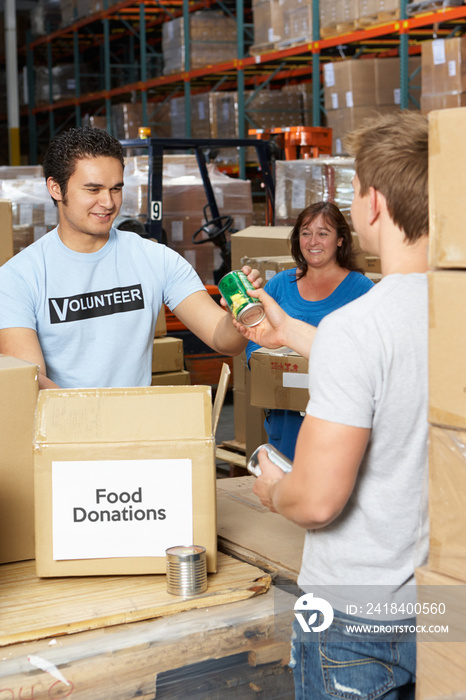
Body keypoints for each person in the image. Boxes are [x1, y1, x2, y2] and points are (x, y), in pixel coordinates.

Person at [233, 111, 429, 699]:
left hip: (355, 616)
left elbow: (317, 502)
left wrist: (272, 488)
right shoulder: (449, 310)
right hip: (444, 605)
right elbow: (400, 369)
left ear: (371, 205)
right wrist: (291, 330)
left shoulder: (358, 324)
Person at [0, 126, 261, 389]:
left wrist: (237, 319)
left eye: (116, 188)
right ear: (56, 188)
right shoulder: (19, 277)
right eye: (93, 190)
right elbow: (31, 381)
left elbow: (222, 339)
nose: (108, 202)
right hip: (65, 425)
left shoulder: (155, 259)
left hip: (137, 426)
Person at [245, 201, 373, 460]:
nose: (313, 241)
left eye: (323, 233)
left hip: (339, 423)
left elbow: (372, 361)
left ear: (339, 240)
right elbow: (253, 350)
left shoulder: (362, 290)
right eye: (306, 233)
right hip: (286, 422)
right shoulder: (281, 284)